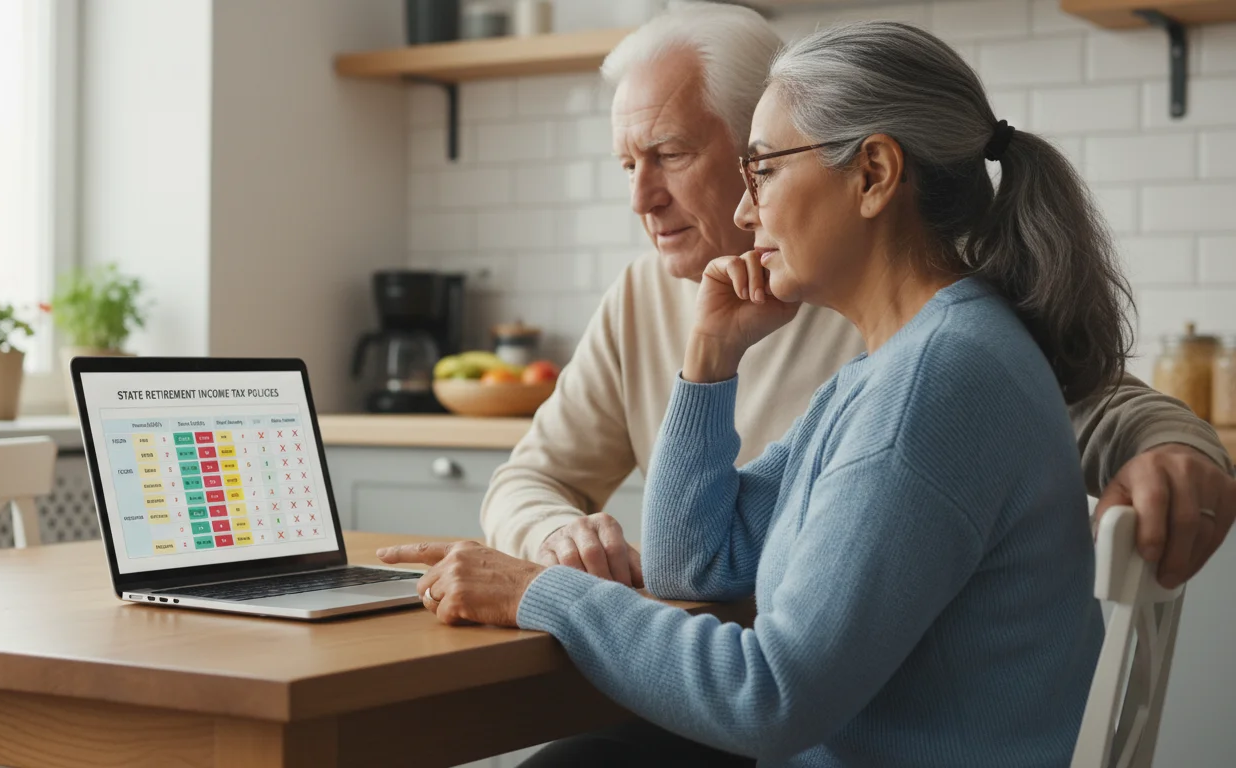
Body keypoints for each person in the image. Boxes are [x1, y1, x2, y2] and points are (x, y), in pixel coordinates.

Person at [380, 20, 1125, 764]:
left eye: (763, 169)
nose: (745, 211)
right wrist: (708, 359)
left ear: (872, 174)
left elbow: (770, 698)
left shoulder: (931, 383)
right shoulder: (897, 366)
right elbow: (692, 564)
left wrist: (537, 592)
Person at [480, 2, 1234, 593]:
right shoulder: (645, 297)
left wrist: (1176, 446)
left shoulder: (913, 301)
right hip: (737, 680)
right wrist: (556, 537)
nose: (642, 197)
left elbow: (1093, 402)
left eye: (670, 155)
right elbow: (538, 482)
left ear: (763, 143)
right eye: (626, 165)